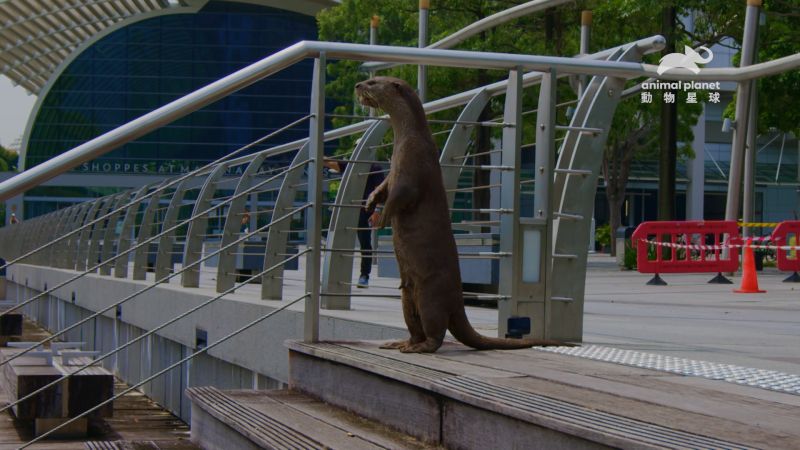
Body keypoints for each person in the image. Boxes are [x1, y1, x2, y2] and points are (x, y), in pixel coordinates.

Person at [324, 158, 384, 288]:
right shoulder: (351, 165)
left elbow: (379, 190)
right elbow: (331, 163)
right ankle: (335, 275)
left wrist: (377, 211)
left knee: (365, 243)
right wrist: (317, 153)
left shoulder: (374, 167)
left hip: (365, 210)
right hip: (349, 208)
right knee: (338, 241)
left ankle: (364, 275)